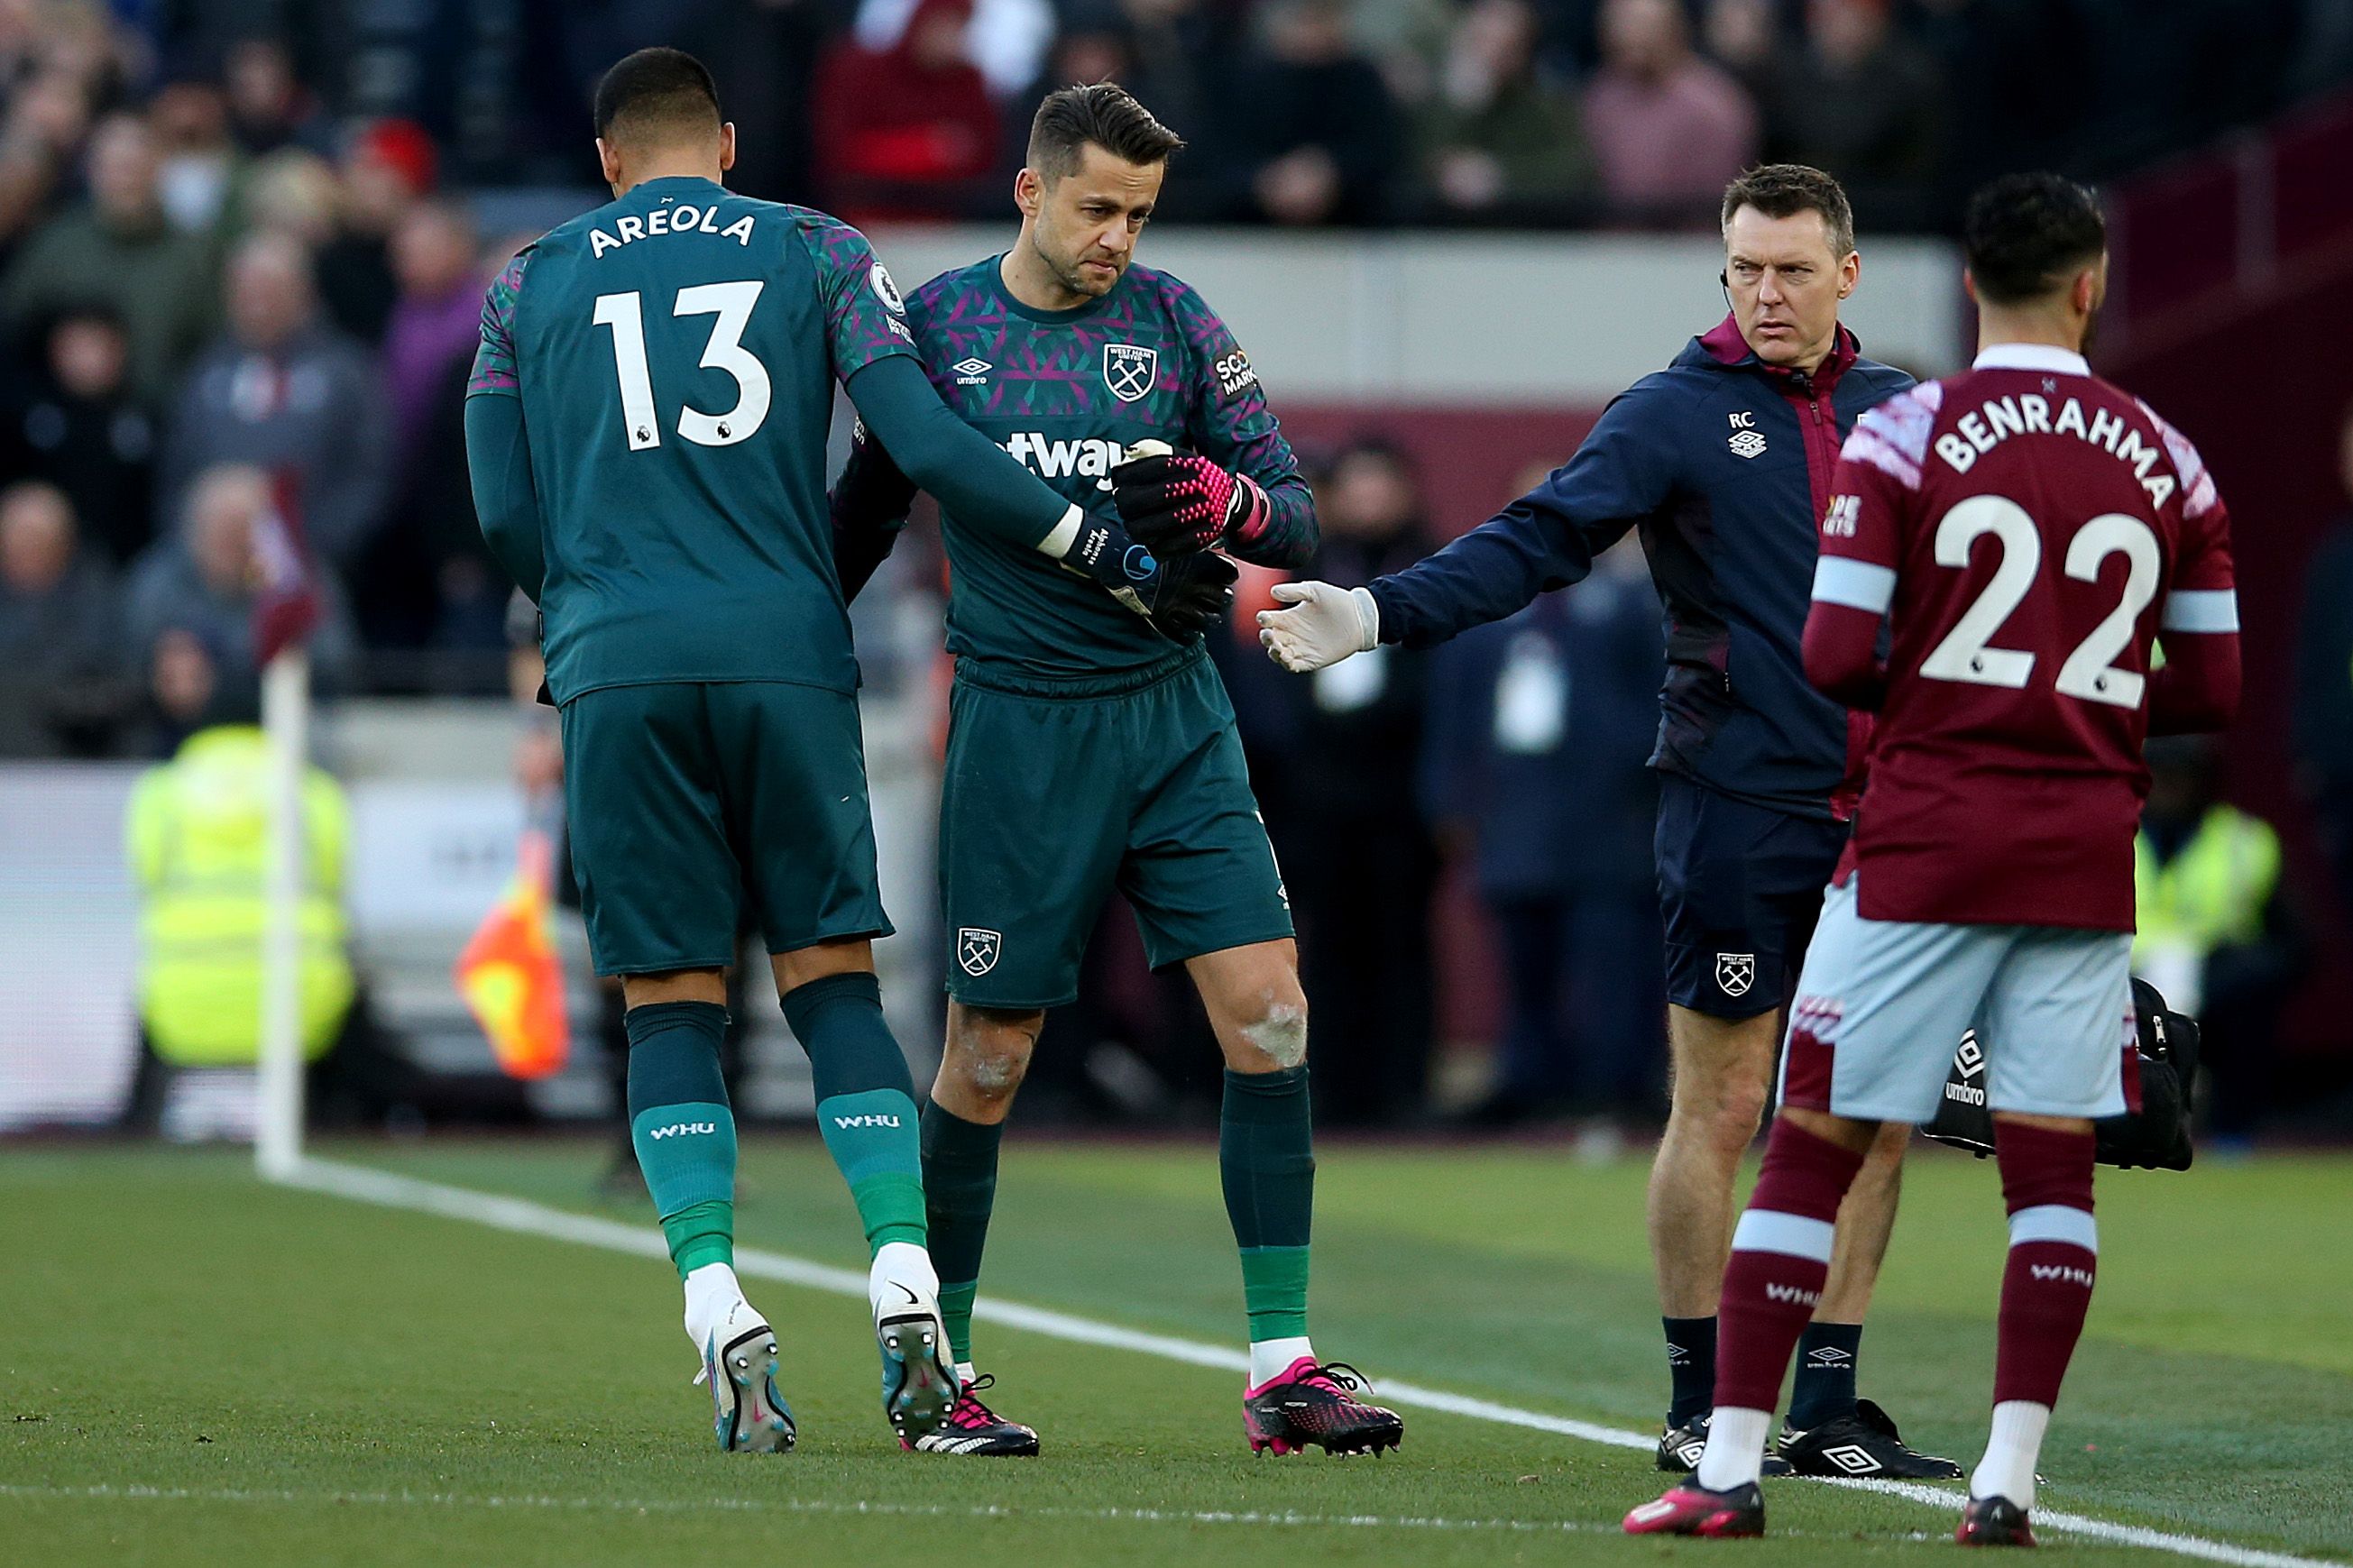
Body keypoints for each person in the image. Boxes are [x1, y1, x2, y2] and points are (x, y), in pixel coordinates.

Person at [1258, 164, 1958, 1480]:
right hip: (1736, 801)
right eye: (1744, 267)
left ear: (1847, 274)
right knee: (1725, 1098)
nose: (1764, 292)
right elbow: (1535, 537)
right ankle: (1700, 1398)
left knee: (1872, 1107)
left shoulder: (1906, 414)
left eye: (1792, 269)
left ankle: (1830, 1406)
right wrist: (1377, 609)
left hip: (1886, 810)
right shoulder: (1674, 411)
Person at [462, 46, 1109, 1455]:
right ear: (730, 144)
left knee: (669, 999)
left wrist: (585, 603)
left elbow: (502, 508)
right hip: (782, 648)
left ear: (609, 161)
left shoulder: (526, 280)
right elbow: (923, 435)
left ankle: (714, 1298)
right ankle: (900, 1269)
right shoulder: (816, 246)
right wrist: (1071, 533)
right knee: (829, 976)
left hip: (617, 660)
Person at [1626, 171, 2240, 1544]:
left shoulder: (1911, 433)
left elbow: (1840, 654)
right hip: (2080, 846)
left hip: (1915, 832)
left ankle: (1726, 1465)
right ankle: (2007, 1484)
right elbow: (2210, 688)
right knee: (2050, 1171)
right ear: (2091, 285)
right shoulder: (2169, 455)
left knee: (1816, 1141)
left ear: (1966, 284)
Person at [831, 82, 1403, 1459]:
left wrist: (1233, 505)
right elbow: (864, 504)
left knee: (1269, 1012)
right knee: (988, 1055)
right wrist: (791, 643)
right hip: (1022, 729)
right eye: (1096, 206)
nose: (1117, 238)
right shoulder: (944, 327)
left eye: (1139, 213)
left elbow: (1299, 511)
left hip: (1174, 718)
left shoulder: (1177, 321)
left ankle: (1282, 1364)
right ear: (1029, 190)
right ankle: (941, 1371)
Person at [1421, 528, 1665, 1125]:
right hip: (1514, 820)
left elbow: (1662, 706)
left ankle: (1618, 1085)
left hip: (1608, 821)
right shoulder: (1487, 613)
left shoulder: (1634, 606)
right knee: (1523, 962)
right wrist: (1449, 802)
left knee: (1612, 960)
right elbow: (1453, 718)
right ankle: (1530, 1080)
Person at [158, 232, 395, 573]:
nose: (256, 300)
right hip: (207, 573)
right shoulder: (205, 372)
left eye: (270, 287)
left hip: (317, 569)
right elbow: (175, 471)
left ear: (305, 292)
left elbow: (371, 472)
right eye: (245, 288)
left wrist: (315, 549)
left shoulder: (348, 372)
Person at [2134, 737, 2304, 1147]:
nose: (2169, 787)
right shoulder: (2110, 831)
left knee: (2250, 1003)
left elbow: (2294, 941)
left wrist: (2236, 976)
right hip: (2125, 970)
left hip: (2217, 971)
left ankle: (2231, 1134)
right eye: (2159, 776)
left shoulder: (2244, 840)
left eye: (2180, 777)